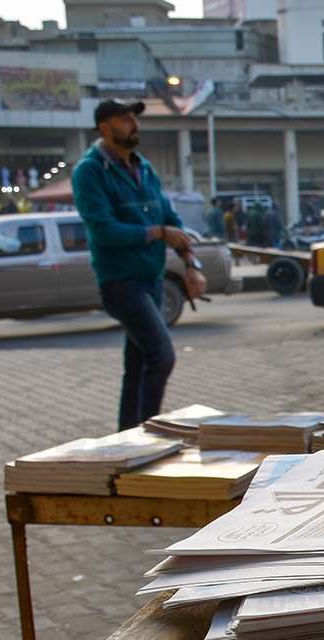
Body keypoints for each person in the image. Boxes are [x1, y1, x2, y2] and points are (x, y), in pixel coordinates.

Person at [72, 99, 206, 431]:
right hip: (121, 280)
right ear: (105, 126)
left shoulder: (143, 167)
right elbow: (103, 230)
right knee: (161, 356)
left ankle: (128, 436)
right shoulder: (90, 171)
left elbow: (170, 219)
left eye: (135, 118)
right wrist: (158, 233)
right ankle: (149, 433)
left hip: (152, 277)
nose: (135, 125)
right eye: (126, 119)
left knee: (137, 366)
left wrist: (191, 263)